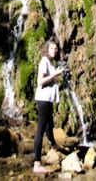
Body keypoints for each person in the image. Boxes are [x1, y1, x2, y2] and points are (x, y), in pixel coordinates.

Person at [33, 37, 64, 174]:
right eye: (52, 48)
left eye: (56, 49)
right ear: (47, 49)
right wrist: (56, 74)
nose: (54, 50)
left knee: (49, 125)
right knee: (40, 130)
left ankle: (53, 145)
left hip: (48, 99)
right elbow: (40, 81)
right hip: (43, 99)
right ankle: (37, 164)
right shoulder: (44, 61)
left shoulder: (51, 62)